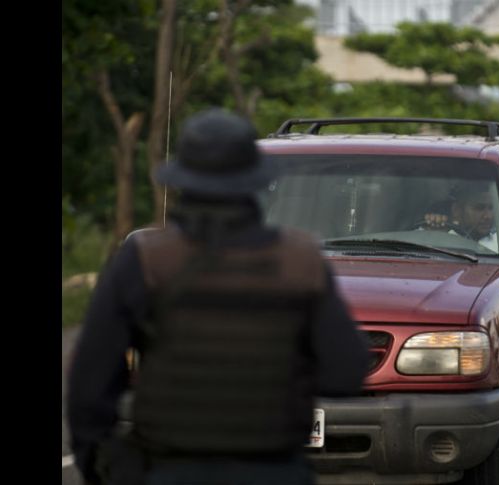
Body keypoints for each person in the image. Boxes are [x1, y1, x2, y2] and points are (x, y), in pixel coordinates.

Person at [66, 109, 369, 485]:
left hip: (168, 469)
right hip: (273, 469)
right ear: (256, 182)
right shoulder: (299, 260)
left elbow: (89, 385)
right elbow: (346, 372)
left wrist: (101, 464)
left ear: (181, 181)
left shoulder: (145, 259)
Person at [421, 184, 498, 251]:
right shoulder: (437, 234)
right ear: (457, 210)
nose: (488, 216)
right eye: (479, 208)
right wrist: (435, 236)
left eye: (491, 208)